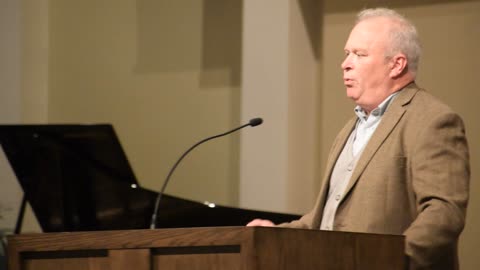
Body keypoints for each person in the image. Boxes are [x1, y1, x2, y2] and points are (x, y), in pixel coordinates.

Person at [247, 7, 470, 270]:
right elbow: (325, 221)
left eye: (359, 54)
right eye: (347, 54)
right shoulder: (349, 129)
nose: (345, 63)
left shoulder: (433, 120)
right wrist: (275, 235)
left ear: (396, 65)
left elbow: (443, 213)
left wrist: (392, 259)